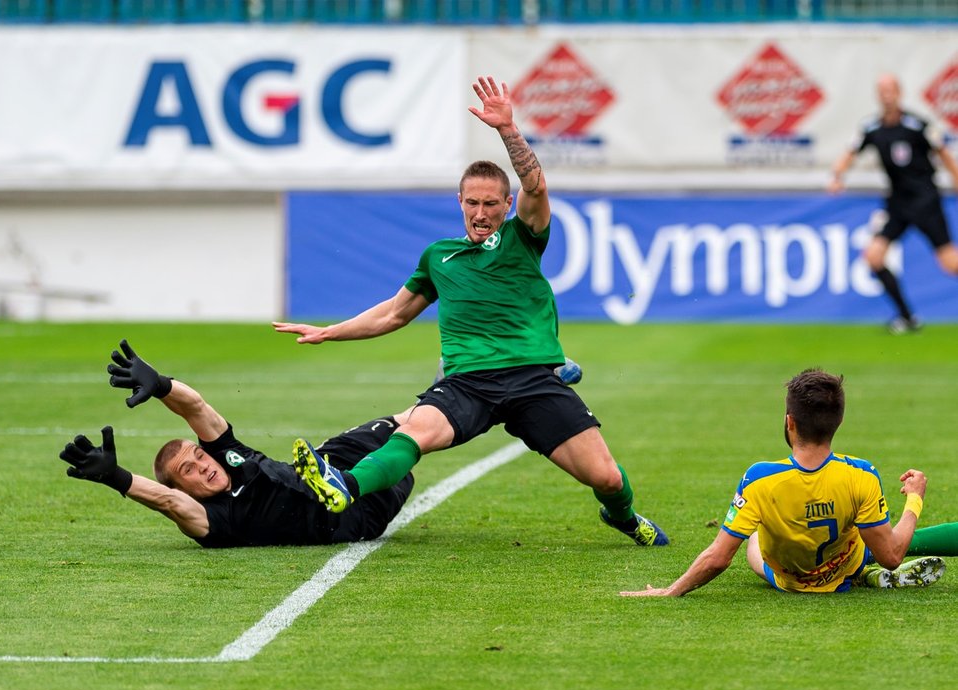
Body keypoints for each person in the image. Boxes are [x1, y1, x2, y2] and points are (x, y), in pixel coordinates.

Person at [273, 76, 668, 547]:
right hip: (467, 382)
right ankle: (345, 485)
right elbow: (394, 313)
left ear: (506, 205)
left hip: (530, 380)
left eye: (490, 204)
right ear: (459, 203)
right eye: (472, 203)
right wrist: (330, 332)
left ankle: (623, 517)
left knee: (604, 477)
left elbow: (537, 187)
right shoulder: (439, 257)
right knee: (415, 431)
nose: (481, 213)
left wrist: (508, 131)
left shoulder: (523, 238)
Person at [620, 369, 945, 596]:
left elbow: (718, 558)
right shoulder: (862, 473)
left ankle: (864, 573)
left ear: (790, 422)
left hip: (789, 581)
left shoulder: (760, 478)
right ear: (839, 421)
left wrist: (671, 590)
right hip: (846, 562)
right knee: (875, 538)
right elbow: (892, 555)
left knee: (755, 537)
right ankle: (864, 572)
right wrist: (914, 499)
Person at [58, 340, 413, 548]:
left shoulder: (228, 457)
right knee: (410, 445)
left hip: (328, 461)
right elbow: (167, 501)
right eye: (188, 471)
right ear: (185, 489)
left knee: (405, 419)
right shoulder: (214, 521)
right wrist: (116, 477)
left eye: (199, 456)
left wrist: (161, 385)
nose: (204, 466)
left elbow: (195, 408)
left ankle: (449, 385)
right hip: (359, 511)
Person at [828, 72, 958, 334]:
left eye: (890, 90)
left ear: (899, 93)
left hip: (926, 201)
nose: (886, 95)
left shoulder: (917, 125)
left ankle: (907, 318)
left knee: (949, 264)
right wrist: (837, 177)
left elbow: (942, 151)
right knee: (873, 257)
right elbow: (849, 152)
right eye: (882, 90)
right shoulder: (871, 128)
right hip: (897, 204)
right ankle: (908, 318)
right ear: (878, 96)